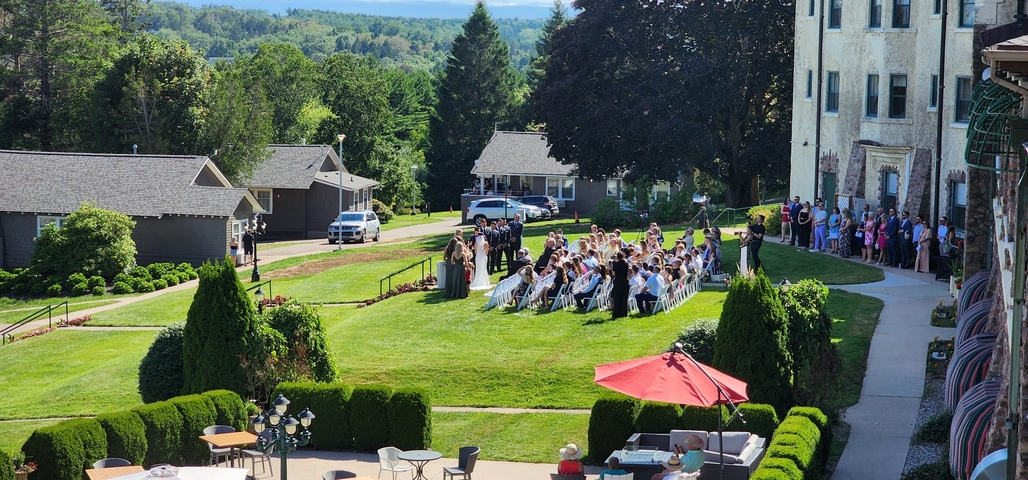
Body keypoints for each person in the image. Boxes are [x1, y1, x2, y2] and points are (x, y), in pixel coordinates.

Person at [610, 251, 630, 319]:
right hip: (625, 281)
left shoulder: (615, 263)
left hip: (618, 281)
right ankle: (624, 313)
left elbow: (613, 273)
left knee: (617, 298)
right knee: (624, 298)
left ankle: (616, 313)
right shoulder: (626, 263)